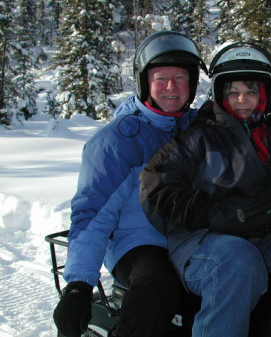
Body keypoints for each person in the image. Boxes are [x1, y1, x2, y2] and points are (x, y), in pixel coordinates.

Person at [140, 42, 271, 337]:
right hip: (200, 242)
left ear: (264, 94)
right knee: (236, 260)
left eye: (251, 91)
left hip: (258, 236)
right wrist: (212, 213)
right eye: (233, 92)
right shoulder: (200, 137)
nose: (242, 99)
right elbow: (155, 186)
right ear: (220, 95)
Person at [52, 31, 207, 337]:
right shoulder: (117, 141)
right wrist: (79, 284)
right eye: (161, 78)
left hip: (191, 239)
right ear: (144, 82)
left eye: (180, 78)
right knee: (157, 284)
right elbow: (92, 214)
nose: (171, 88)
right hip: (137, 244)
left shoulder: (201, 129)